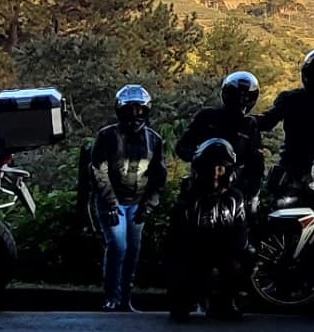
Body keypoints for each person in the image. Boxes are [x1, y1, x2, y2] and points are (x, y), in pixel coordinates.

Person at [88, 84, 167, 312]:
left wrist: (149, 205)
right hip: (111, 202)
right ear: (120, 111)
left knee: (133, 250)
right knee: (118, 246)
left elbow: (159, 177)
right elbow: (98, 170)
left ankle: (125, 299)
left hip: (138, 203)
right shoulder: (107, 136)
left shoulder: (154, 140)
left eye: (139, 109)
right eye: (130, 110)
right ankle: (111, 297)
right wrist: (111, 203)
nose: (135, 115)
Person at [167, 138, 251, 322]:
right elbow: (178, 237)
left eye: (221, 167)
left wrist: (230, 255)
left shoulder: (235, 198)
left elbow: (241, 232)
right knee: (179, 261)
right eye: (210, 167)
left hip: (224, 254)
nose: (215, 173)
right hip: (194, 254)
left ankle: (225, 302)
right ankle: (183, 300)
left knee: (247, 255)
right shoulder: (189, 198)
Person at [256, 49, 314, 206]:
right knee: (270, 213)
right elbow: (266, 121)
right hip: (294, 171)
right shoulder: (292, 99)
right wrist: (243, 120)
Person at [176, 72, 265, 213]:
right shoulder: (207, 117)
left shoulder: (249, 126)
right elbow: (182, 147)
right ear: (227, 94)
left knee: (243, 229)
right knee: (182, 222)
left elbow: (257, 166)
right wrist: (198, 157)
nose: (240, 101)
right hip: (200, 187)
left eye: (245, 97)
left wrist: (253, 195)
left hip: (235, 192)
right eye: (236, 96)